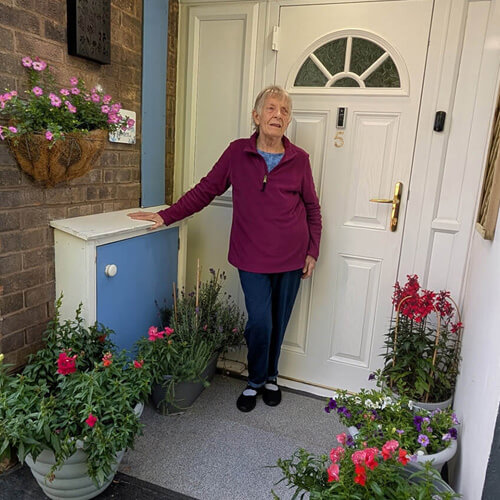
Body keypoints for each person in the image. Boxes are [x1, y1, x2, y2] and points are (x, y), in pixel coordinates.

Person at [128, 86, 322, 412]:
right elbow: (206, 189)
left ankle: (270, 377)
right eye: (271, 108)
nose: (278, 115)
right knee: (260, 321)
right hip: (252, 256)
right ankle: (255, 381)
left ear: (288, 121)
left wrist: (312, 251)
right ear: (256, 116)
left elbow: (313, 209)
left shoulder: (299, 159)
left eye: (284, 111)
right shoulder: (237, 153)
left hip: (292, 256)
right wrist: (166, 215)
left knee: (279, 319)